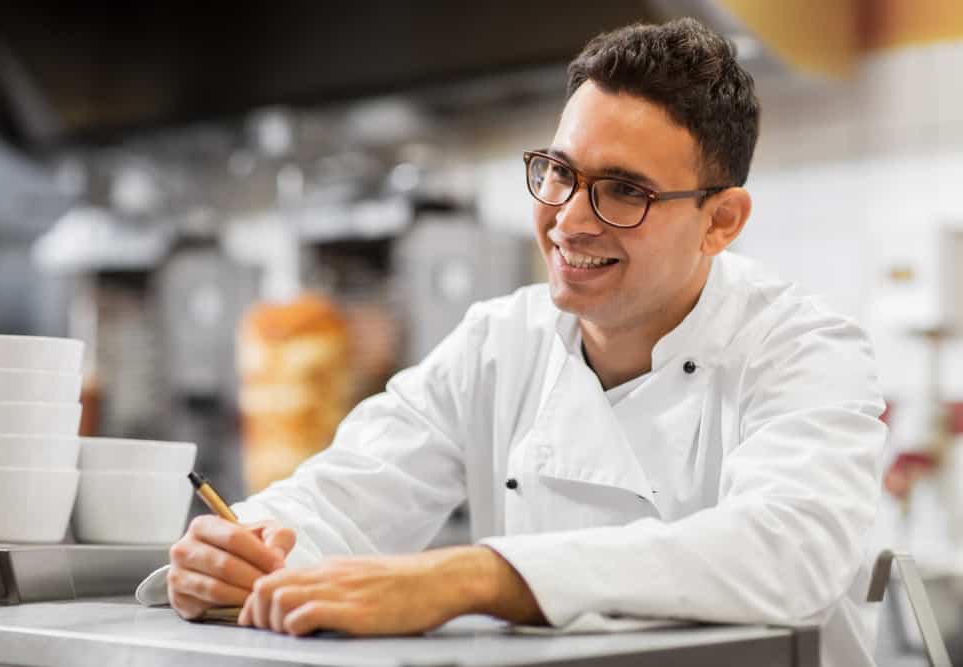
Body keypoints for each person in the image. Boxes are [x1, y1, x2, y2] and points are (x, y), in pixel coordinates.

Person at [164, 18, 886, 667]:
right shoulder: (498, 342)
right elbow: (345, 497)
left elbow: (784, 550)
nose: (569, 219)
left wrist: (476, 576)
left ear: (720, 221)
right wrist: (241, 549)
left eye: (625, 190)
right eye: (560, 173)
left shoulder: (802, 349)